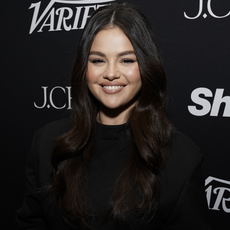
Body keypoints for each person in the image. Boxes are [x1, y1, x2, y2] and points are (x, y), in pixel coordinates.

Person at [16, 2, 212, 230]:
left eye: (127, 60)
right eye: (98, 60)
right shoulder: (47, 142)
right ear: (84, 68)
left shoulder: (181, 157)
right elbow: (30, 221)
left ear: (147, 66)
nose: (110, 73)